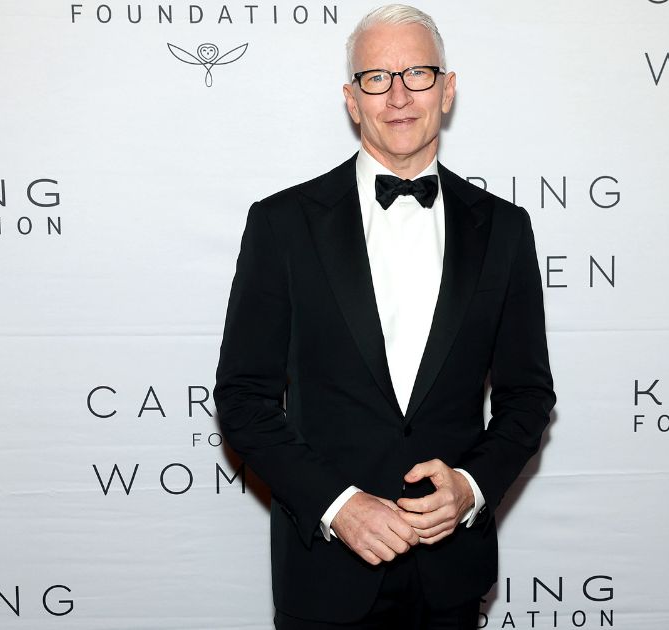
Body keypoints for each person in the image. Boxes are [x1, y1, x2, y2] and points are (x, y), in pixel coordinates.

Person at [213, 4, 555, 628]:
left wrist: (471, 487)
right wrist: (337, 505)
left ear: (447, 90)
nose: (398, 96)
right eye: (376, 78)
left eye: (418, 74)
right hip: (325, 575)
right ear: (352, 99)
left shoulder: (505, 229)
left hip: (451, 577)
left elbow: (528, 396)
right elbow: (243, 398)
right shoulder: (282, 225)